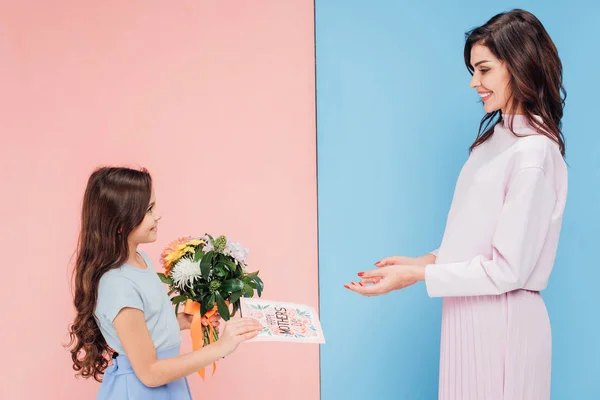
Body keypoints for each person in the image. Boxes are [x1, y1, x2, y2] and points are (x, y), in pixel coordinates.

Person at [345, 9, 567, 400]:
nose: (473, 83)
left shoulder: (533, 153)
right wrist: (417, 264)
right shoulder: (497, 138)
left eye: (483, 70)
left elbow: (508, 269)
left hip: (504, 323)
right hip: (467, 313)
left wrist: (418, 277)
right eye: (472, 70)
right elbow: (473, 240)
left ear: (518, 65)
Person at [67, 167, 262, 399]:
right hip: (144, 390)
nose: (158, 215)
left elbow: (145, 326)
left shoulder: (141, 261)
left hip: (166, 384)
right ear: (120, 223)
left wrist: (182, 321)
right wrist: (219, 348)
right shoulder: (117, 286)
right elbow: (149, 372)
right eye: (149, 210)